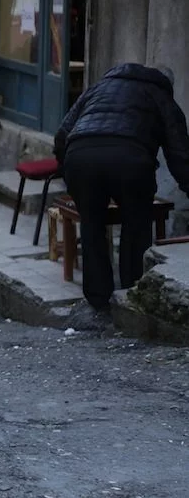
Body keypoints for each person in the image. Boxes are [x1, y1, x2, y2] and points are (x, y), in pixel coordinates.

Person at [54, 63, 189, 328]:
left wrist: (66, 169)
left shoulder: (99, 87)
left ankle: (99, 301)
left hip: (81, 157)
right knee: (136, 225)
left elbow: (63, 133)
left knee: (91, 226)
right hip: (130, 159)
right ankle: (131, 291)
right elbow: (180, 153)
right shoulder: (160, 96)